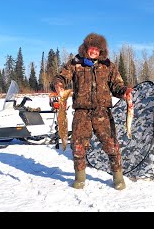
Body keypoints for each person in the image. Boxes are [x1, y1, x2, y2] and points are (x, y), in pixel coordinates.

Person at [52, 32, 133, 190]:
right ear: (86, 49)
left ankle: (118, 178)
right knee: (78, 146)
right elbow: (60, 78)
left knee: (111, 145)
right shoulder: (75, 63)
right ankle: (80, 178)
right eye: (92, 48)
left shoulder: (108, 65)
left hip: (102, 112)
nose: (94, 51)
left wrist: (124, 92)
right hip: (82, 112)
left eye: (97, 49)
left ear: (101, 51)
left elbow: (116, 86)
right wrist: (58, 85)